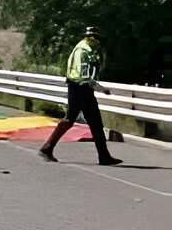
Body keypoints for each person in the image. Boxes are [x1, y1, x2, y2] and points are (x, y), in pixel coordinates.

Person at [38, 26, 122, 165]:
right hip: (81, 88)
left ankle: (48, 148)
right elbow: (85, 76)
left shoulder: (82, 47)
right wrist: (101, 88)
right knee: (95, 122)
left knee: (70, 120)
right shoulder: (84, 51)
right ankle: (104, 156)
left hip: (76, 87)